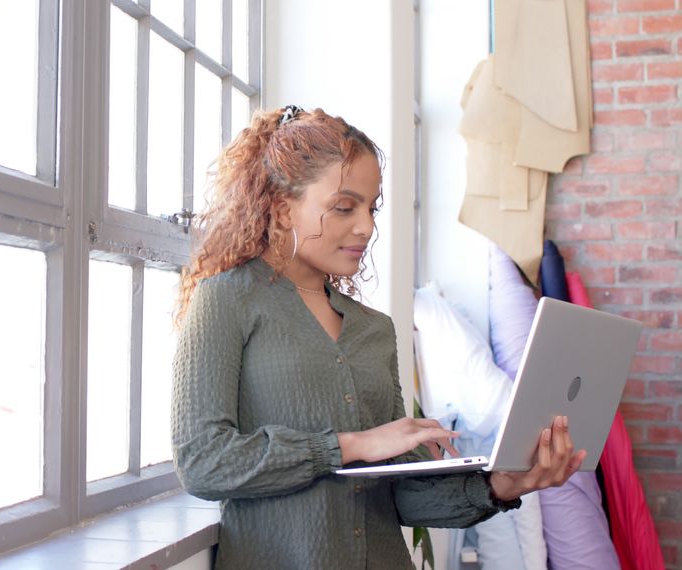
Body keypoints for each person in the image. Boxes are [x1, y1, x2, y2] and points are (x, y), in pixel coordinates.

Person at [170, 105, 586, 570]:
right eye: (345, 207)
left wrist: (504, 486)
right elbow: (203, 461)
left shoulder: (375, 329)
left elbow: (401, 499)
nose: (366, 226)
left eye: (372, 207)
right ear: (283, 209)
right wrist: (351, 445)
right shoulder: (224, 302)